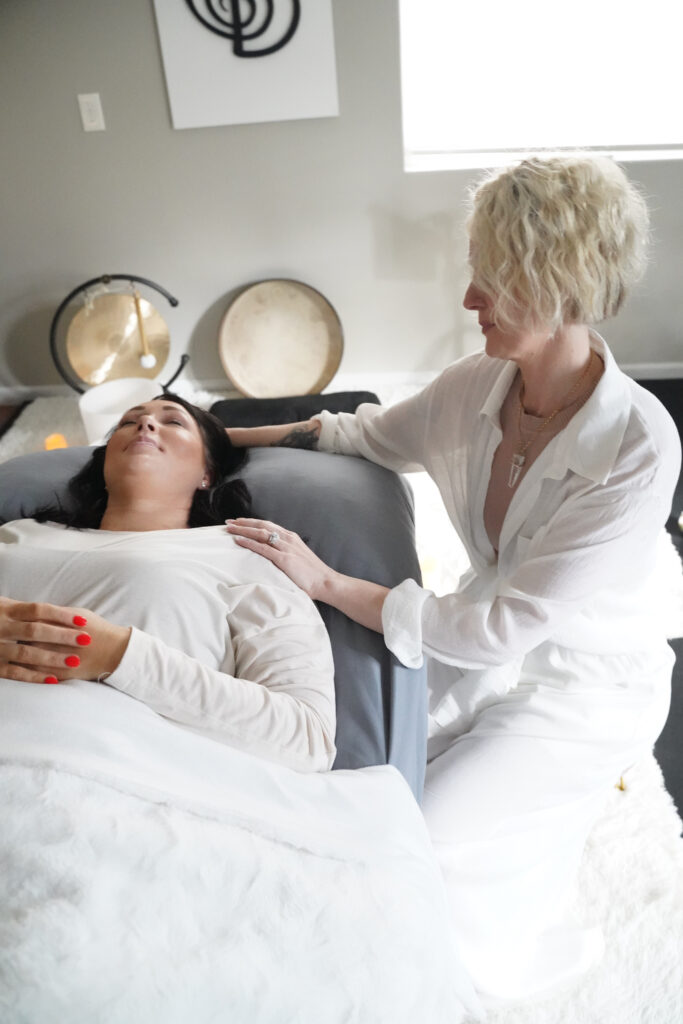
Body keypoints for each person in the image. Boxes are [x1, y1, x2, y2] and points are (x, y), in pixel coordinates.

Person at [223, 157, 682, 1000]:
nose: (469, 299)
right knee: (356, 770)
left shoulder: (636, 448)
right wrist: (213, 439)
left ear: (561, 287)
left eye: (493, 282)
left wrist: (326, 582)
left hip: (585, 684)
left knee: (431, 836)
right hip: (479, 633)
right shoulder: (474, 387)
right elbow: (358, 435)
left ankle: (448, 980)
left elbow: (503, 629)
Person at [0, 393, 336, 773]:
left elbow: (308, 741)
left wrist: (119, 656)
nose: (144, 424)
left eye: (173, 422)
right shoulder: (18, 535)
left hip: (110, 778)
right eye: (128, 422)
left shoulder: (245, 556)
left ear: (207, 472)